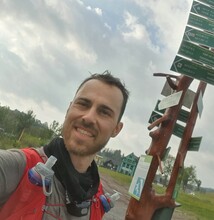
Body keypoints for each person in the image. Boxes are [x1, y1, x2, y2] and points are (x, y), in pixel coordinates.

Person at [0, 71, 129, 220]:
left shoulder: (96, 197)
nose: (88, 117)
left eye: (104, 112)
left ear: (116, 129)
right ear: (69, 109)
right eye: (83, 104)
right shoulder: (18, 167)